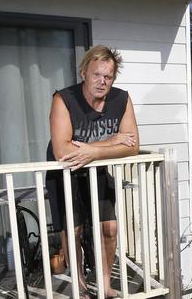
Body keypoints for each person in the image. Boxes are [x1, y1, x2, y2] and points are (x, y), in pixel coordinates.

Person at [46, 45, 139, 299]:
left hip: (97, 168)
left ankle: (106, 285)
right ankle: (81, 286)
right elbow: (64, 151)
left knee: (109, 228)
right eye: (97, 74)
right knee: (72, 230)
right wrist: (112, 142)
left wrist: (94, 152)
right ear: (83, 73)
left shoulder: (121, 99)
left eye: (108, 77)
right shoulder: (63, 99)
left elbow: (132, 146)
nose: (102, 81)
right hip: (66, 171)